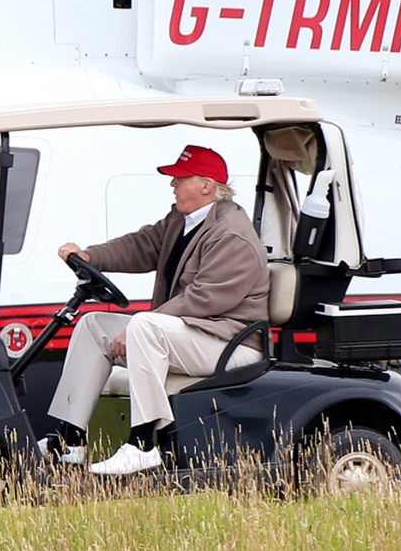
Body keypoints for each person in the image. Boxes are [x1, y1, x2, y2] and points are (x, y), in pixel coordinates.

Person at [39, 145, 270, 475]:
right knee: (93, 325)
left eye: (180, 178)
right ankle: (69, 440)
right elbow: (141, 245)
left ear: (207, 185)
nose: (172, 184)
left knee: (145, 326)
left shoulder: (233, 235)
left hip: (231, 344)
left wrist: (136, 329)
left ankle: (143, 445)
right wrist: (91, 256)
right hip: (193, 336)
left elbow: (205, 298)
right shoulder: (182, 222)